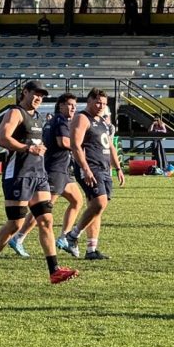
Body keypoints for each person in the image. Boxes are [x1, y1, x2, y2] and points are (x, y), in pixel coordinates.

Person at [0, 81, 79, 286]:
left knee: (46, 221)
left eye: (42, 95)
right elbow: (2, 139)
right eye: (36, 94)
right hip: (18, 175)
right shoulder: (15, 112)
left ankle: (54, 270)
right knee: (15, 224)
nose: (39, 98)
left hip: (39, 175)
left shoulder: (39, 117)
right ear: (24, 92)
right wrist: (27, 148)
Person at [9, 93, 83, 258]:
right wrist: (79, 146)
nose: (73, 108)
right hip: (55, 170)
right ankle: (18, 237)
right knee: (43, 209)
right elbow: (62, 142)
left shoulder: (53, 120)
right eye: (70, 105)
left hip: (62, 170)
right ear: (61, 106)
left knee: (77, 200)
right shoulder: (61, 120)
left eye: (75, 106)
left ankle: (64, 237)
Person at [61, 88, 125, 261]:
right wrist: (86, 169)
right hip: (90, 167)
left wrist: (118, 168)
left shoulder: (103, 121)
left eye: (103, 103)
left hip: (104, 168)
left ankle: (91, 249)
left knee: (97, 209)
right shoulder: (82, 118)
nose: (100, 106)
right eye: (97, 102)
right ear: (88, 101)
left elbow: (110, 146)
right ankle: (72, 236)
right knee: (99, 203)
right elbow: (75, 145)